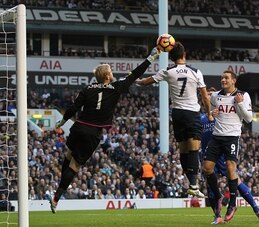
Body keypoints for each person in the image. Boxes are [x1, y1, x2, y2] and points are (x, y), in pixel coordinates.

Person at [48, 47, 161, 213]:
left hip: (78, 127)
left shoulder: (87, 89)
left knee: (68, 155)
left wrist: (62, 121)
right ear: (107, 76)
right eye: (111, 71)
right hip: (93, 132)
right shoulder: (116, 87)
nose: (112, 72)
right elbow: (135, 74)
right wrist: (151, 58)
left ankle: (60, 186)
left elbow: (73, 107)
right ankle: (57, 197)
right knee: (74, 166)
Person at [136, 42, 213, 198]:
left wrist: (133, 79)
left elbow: (145, 82)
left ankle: (190, 182)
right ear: (184, 55)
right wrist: (209, 113)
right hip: (192, 113)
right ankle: (193, 185)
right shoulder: (195, 72)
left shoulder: (168, 71)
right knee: (194, 148)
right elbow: (205, 96)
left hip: (177, 113)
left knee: (183, 149)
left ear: (171, 57)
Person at [200, 87, 259, 224]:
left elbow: (240, 121)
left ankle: (257, 210)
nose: (207, 97)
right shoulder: (201, 119)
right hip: (209, 155)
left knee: (238, 183)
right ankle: (217, 216)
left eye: (209, 95)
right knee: (210, 188)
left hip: (222, 156)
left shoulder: (221, 114)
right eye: (205, 96)